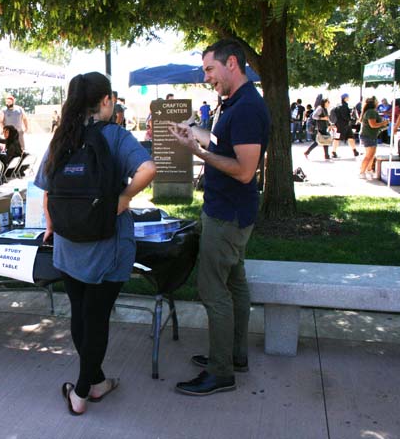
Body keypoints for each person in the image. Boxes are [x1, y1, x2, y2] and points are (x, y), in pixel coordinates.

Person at [34, 71, 156, 415]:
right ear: (106, 101)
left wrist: (51, 224)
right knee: (97, 317)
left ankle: (96, 382)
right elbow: (148, 168)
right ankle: (83, 392)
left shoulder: (62, 138)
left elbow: (46, 191)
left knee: (81, 314)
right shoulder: (115, 135)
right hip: (108, 244)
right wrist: (124, 197)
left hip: (68, 242)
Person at [167, 39, 270, 396]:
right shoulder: (236, 103)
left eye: (210, 69)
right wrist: (194, 136)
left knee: (213, 290)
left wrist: (197, 153)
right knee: (234, 284)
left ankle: (221, 370)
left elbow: (243, 170)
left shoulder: (246, 109)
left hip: (228, 215)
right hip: (229, 211)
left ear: (231, 63)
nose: (206, 77)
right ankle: (233, 355)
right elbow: (222, 145)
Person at [358, 97, 390, 180]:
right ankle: (362, 172)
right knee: (369, 155)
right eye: (377, 101)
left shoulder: (370, 112)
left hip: (371, 135)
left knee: (371, 155)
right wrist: (383, 123)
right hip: (368, 136)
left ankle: (369, 170)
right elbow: (373, 125)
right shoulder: (371, 112)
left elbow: (374, 126)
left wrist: (383, 126)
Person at [330, 93, 360, 158]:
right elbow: (345, 116)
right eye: (347, 97)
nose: (348, 98)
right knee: (347, 137)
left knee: (340, 138)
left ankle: (354, 151)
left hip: (340, 125)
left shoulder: (339, 105)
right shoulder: (344, 106)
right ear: (345, 98)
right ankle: (334, 152)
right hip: (344, 125)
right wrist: (352, 120)